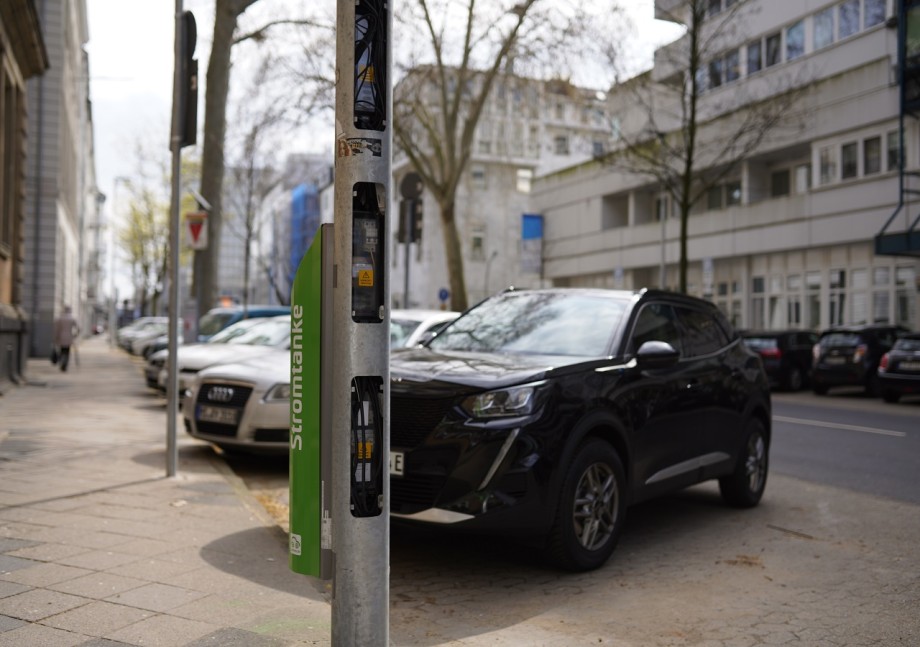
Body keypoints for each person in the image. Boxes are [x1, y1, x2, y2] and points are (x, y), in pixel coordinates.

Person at [53, 305, 80, 372]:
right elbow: (78, 328)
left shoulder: (59, 318)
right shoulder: (72, 319)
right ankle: (65, 365)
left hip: (61, 337)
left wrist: (55, 338)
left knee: (62, 351)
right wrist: (75, 335)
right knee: (67, 352)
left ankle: (62, 362)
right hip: (69, 338)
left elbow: (56, 329)